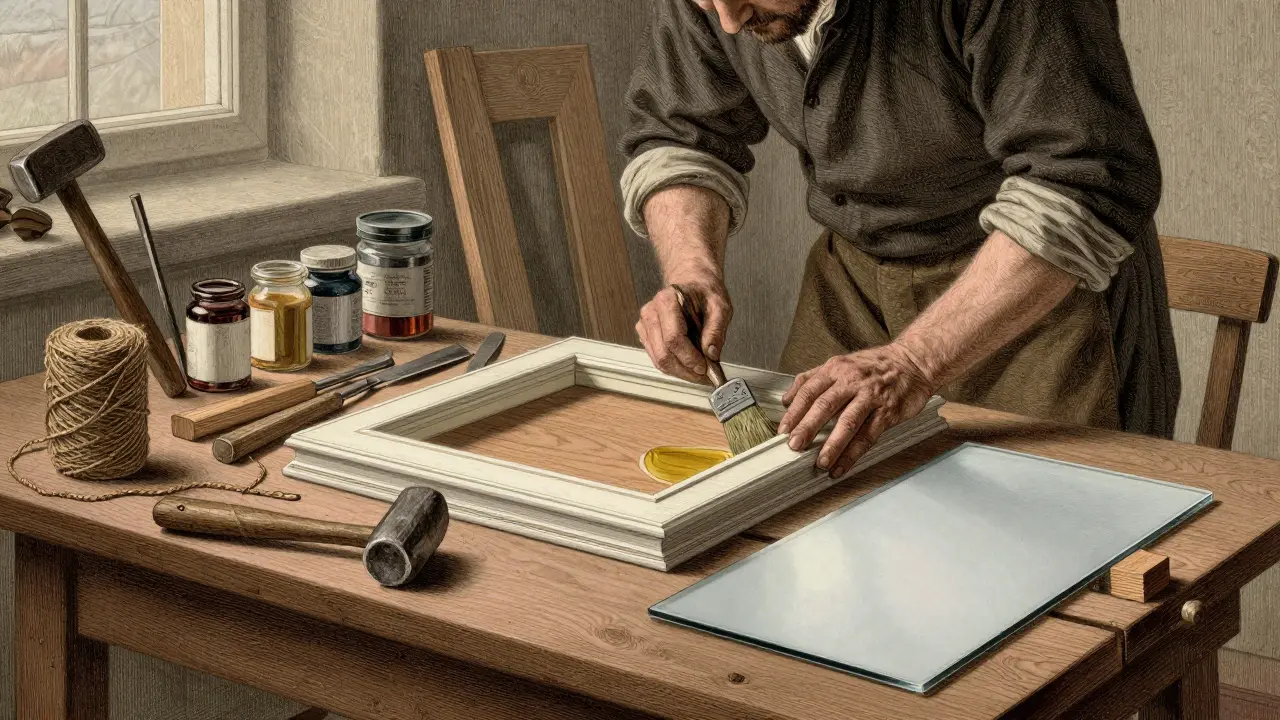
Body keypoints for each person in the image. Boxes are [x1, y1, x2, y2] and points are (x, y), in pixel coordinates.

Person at [621, 0, 1179, 478]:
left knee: (1054, 560)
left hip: (1031, 296)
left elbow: (1083, 180)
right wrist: (692, 269)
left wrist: (912, 361)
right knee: (814, 528)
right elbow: (682, 136)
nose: (728, 21)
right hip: (852, 284)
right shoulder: (725, 2)